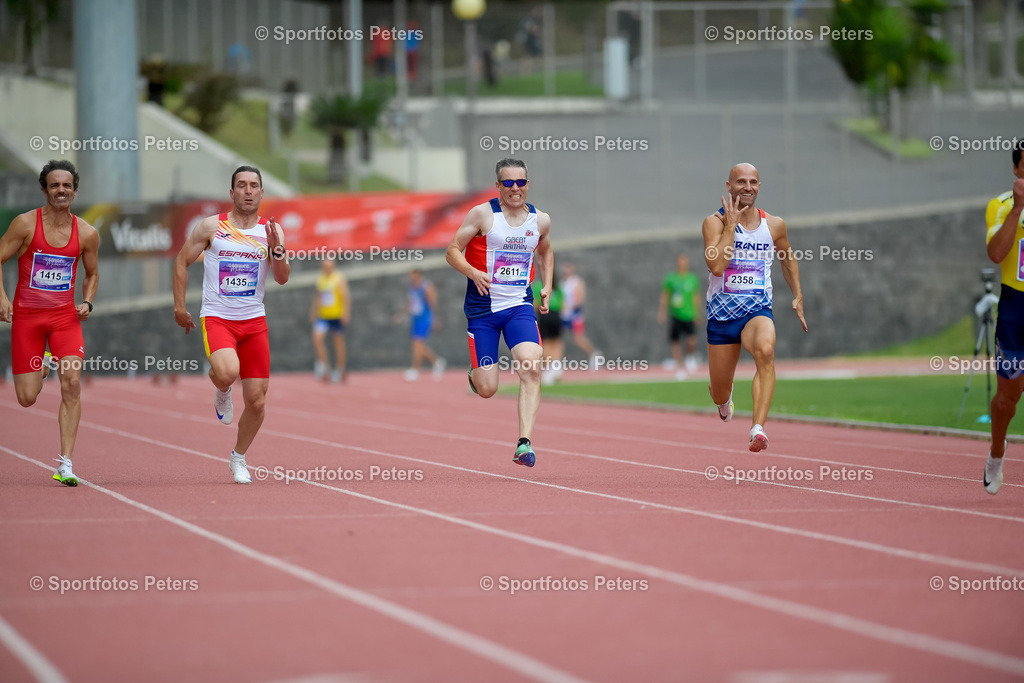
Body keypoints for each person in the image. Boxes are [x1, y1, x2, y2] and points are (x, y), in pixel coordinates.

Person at [173, 165, 290, 484]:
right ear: (232, 192)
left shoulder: (272, 231)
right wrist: (180, 306)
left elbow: (281, 277)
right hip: (218, 317)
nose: (248, 191)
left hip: (254, 321)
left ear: (262, 192)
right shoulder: (211, 227)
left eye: (254, 185)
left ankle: (238, 457)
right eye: (242, 185)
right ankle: (221, 388)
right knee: (227, 371)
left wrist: (276, 251)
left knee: (257, 399)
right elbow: (182, 261)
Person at [445, 157, 553, 467]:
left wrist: (547, 286)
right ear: (498, 186)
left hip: (519, 306)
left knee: (532, 366)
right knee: (488, 388)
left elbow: (546, 250)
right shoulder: (482, 214)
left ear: (528, 185)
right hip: (483, 311)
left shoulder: (540, 220)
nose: (515, 188)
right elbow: (452, 250)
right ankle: (476, 375)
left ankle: (524, 444)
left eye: (521, 182)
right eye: (509, 183)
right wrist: (472, 272)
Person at [0, 160, 99, 486]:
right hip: (27, 318)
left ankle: (66, 463)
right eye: (55, 185)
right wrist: (2, 298)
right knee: (27, 398)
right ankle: (41, 364)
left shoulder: (86, 232)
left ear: (74, 190)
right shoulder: (25, 224)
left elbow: (92, 274)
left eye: (67, 185)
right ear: (44, 189)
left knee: (71, 382)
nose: (61, 190)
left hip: (64, 318)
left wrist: (87, 301)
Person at [702, 163, 806, 452]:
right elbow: (718, 266)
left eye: (753, 182)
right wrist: (732, 225)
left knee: (766, 350)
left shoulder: (774, 225)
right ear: (729, 186)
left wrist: (797, 295)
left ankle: (758, 428)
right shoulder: (714, 223)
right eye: (741, 182)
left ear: (759, 186)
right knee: (719, 393)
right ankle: (724, 397)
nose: (747, 187)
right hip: (722, 319)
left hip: (756, 311)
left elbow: (788, 258)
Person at [982, 140, 1024, 494]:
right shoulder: (1001, 205)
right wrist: (1018, 211)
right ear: (1016, 170)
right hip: (1015, 308)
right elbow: (996, 254)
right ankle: (997, 451)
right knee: (1007, 400)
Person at [658, 254, 702, 379]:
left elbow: (696, 297)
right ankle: (680, 367)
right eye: (680, 263)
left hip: (689, 314)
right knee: (676, 342)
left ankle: (689, 357)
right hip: (676, 314)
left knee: (691, 341)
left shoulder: (692, 279)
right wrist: (662, 311)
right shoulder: (671, 279)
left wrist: (697, 313)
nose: (682, 265)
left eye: (684, 263)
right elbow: (665, 295)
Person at [400, 269, 445, 381]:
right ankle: (436, 361)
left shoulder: (426, 286)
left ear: (419, 275)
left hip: (424, 318)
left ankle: (415, 369)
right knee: (418, 346)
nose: (412, 278)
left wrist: (435, 318)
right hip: (415, 318)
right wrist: (401, 314)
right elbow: (411, 302)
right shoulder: (411, 287)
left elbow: (432, 302)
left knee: (417, 344)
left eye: (414, 275)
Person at [310, 258, 349, 383]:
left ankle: (340, 369)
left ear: (333, 266)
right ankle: (325, 367)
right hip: (323, 316)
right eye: (325, 267)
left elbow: (345, 296)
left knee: (338, 343)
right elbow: (318, 296)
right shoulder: (321, 278)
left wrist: (345, 312)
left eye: (329, 267)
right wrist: (313, 311)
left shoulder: (338, 278)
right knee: (317, 339)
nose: (327, 269)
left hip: (336, 315)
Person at [559, 262, 599, 366]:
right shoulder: (562, 282)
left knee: (578, 338)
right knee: (557, 339)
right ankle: (555, 362)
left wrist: (570, 307)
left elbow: (579, 298)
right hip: (563, 314)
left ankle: (594, 354)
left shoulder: (576, 281)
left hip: (574, 314)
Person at [533, 271, 563, 385]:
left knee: (546, 343)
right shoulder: (557, 287)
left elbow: (535, 303)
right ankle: (556, 368)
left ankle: (548, 370)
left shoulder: (539, 286)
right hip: (556, 316)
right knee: (556, 342)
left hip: (545, 315)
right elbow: (562, 304)